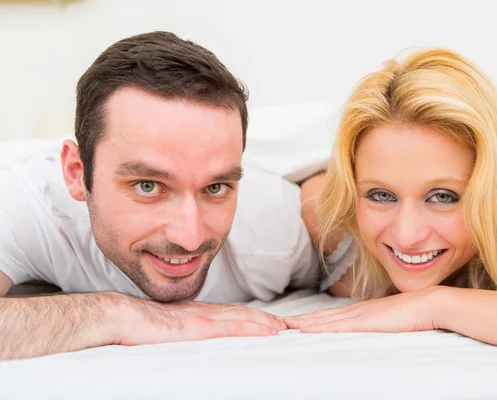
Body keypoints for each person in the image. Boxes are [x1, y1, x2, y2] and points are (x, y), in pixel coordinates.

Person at [0, 31, 320, 360]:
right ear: (76, 173)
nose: (190, 239)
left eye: (215, 188)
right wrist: (117, 314)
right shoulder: (25, 201)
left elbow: (359, 263)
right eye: (148, 186)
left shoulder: (272, 223)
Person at [287, 48, 497, 368]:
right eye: (381, 196)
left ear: (495, 193)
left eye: (443, 197)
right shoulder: (327, 217)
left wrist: (437, 305)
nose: (407, 236)